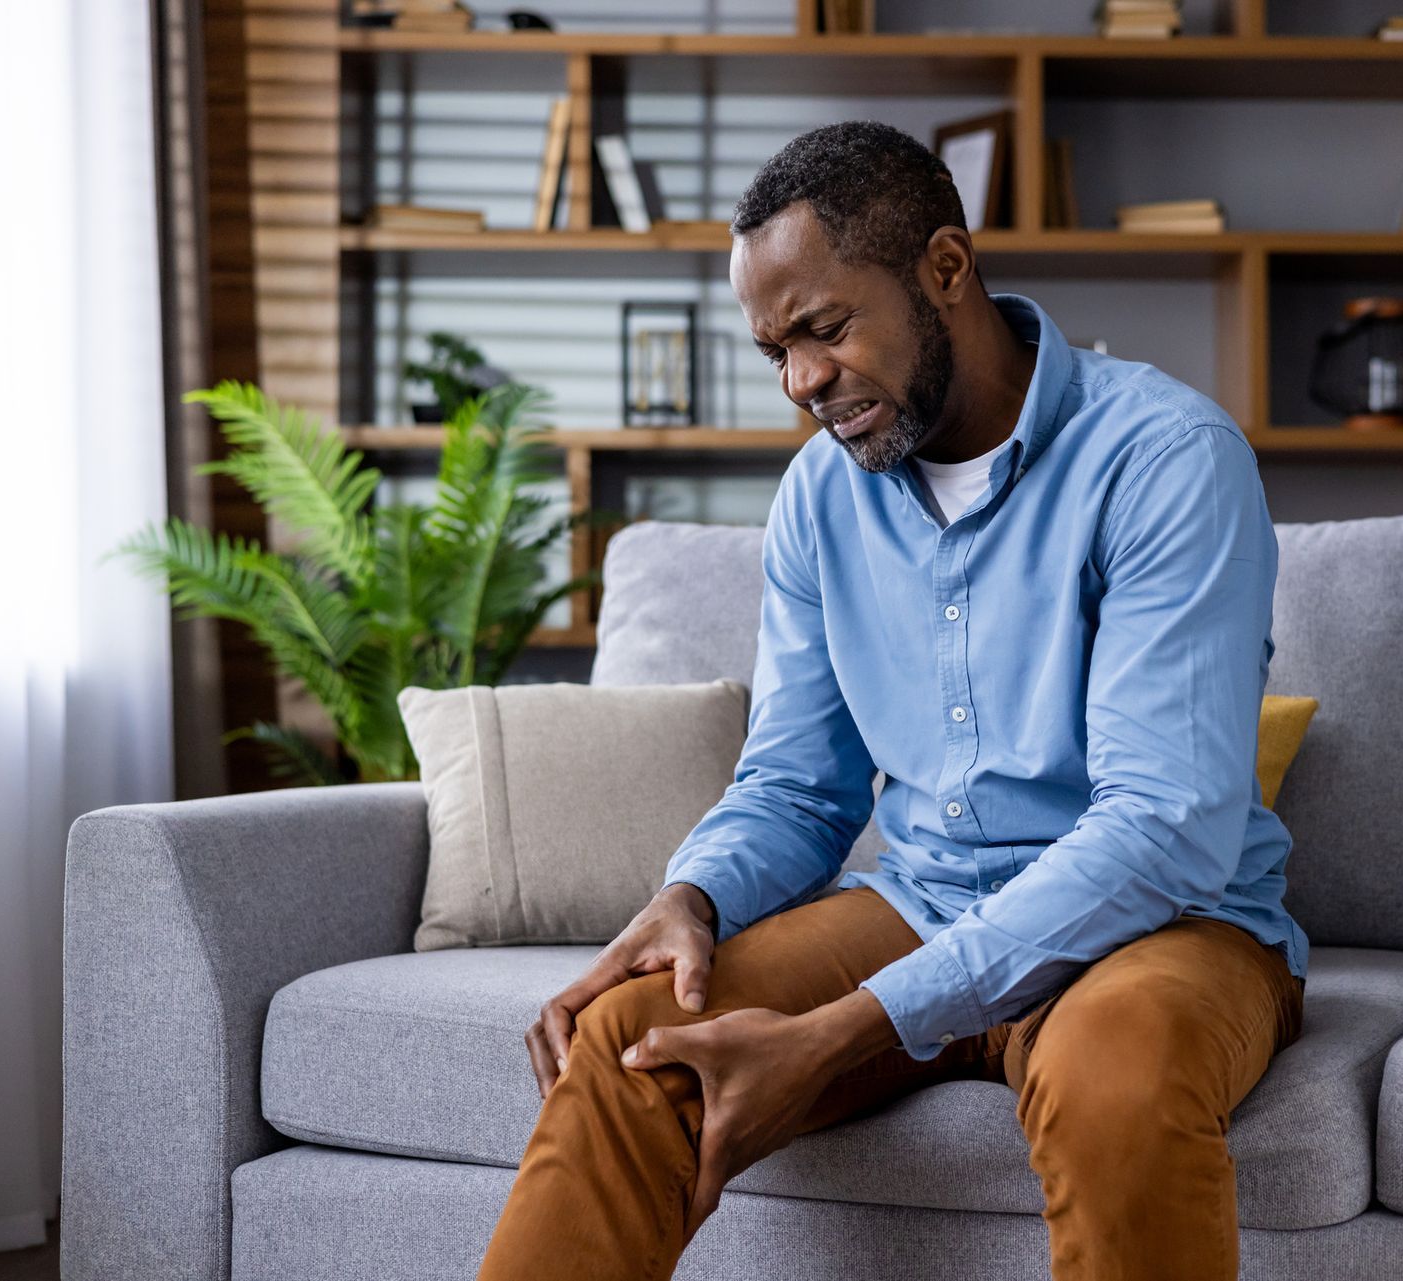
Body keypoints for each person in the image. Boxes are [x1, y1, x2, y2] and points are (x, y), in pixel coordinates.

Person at [475, 119, 1308, 1281]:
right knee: (634, 1043)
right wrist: (695, 895)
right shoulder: (822, 500)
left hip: (1163, 926)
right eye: (776, 351)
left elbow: (1163, 828)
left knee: (1115, 1075)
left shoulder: (1165, 458)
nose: (803, 381)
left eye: (824, 329)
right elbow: (797, 784)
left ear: (946, 270)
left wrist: (848, 1029)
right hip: (927, 898)